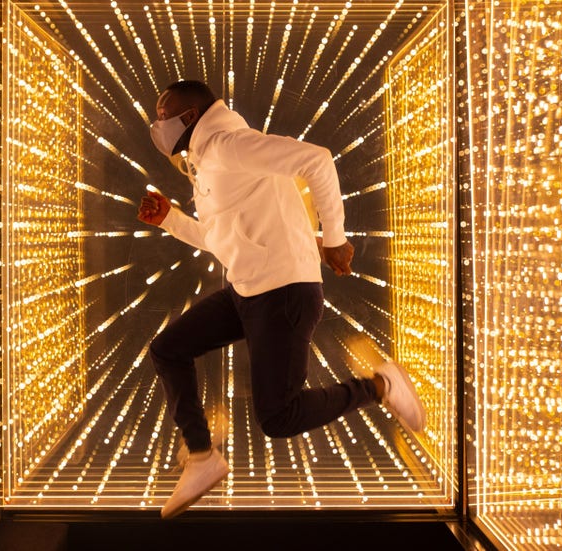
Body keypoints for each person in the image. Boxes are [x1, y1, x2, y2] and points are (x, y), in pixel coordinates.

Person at [137, 80, 426, 519]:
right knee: (167, 348)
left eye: (163, 114)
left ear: (190, 116)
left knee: (279, 417)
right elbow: (219, 238)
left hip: (284, 291)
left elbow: (316, 160)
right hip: (248, 291)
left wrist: (335, 239)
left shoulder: (230, 144)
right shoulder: (208, 161)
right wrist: (172, 221)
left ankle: (381, 386)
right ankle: (201, 456)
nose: (157, 125)